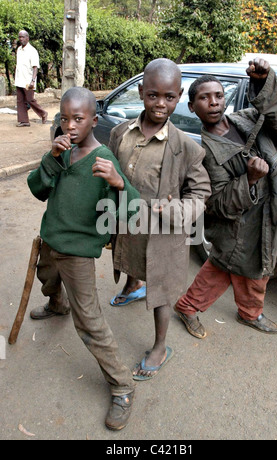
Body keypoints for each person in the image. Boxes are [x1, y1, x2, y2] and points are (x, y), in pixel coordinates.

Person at [27, 87, 140, 431]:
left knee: (89, 321)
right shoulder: (62, 153)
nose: (70, 126)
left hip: (78, 253)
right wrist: (50, 158)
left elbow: (131, 212)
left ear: (93, 120)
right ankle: (56, 304)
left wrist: (119, 183)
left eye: (78, 119)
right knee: (47, 279)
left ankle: (122, 384)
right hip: (50, 240)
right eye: (64, 119)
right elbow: (37, 189)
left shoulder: (103, 159)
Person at [174, 58, 277, 337]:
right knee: (229, 267)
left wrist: (264, 82)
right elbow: (216, 203)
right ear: (192, 107)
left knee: (258, 268)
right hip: (240, 226)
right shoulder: (204, 154)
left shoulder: (247, 119)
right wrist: (249, 179)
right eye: (204, 98)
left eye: (218, 95)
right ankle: (189, 306)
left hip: (270, 211)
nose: (214, 102)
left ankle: (249, 313)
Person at [108, 58, 211, 380]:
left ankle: (160, 345)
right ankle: (132, 283)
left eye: (169, 97)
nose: (161, 104)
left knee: (163, 289)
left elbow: (201, 192)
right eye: (153, 95)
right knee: (127, 257)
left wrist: (176, 211)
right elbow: (109, 173)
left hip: (164, 232)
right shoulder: (120, 133)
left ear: (179, 96)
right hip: (128, 222)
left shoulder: (186, 147)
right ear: (141, 92)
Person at [14, 30, 48, 127]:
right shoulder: (19, 50)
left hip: (28, 80)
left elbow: (35, 67)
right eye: (20, 37)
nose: (21, 39)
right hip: (19, 79)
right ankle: (24, 120)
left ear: (27, 38)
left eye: (23, 37)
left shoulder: (32, 51)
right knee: (20, 101)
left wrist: (33, 80)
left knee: (30, 99)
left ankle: (43, 113)